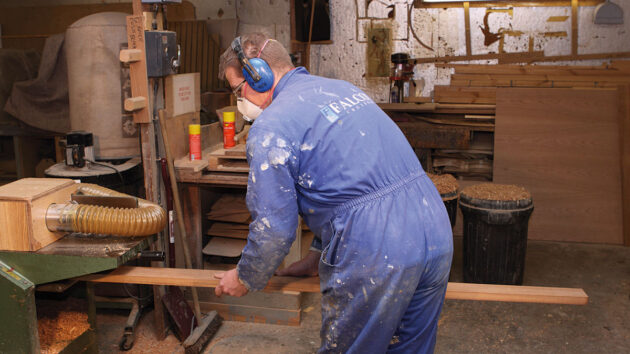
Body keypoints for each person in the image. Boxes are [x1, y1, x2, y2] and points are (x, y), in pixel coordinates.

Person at [214, 33, 453, 353]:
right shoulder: (342, 90)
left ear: (258, 75)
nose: (238, 101)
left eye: (237, 89)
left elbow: (274, 229)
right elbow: (350, 185)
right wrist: (316, 255)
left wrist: (245, 277)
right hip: (435, 227)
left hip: (377, 250)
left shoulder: (271, 127)